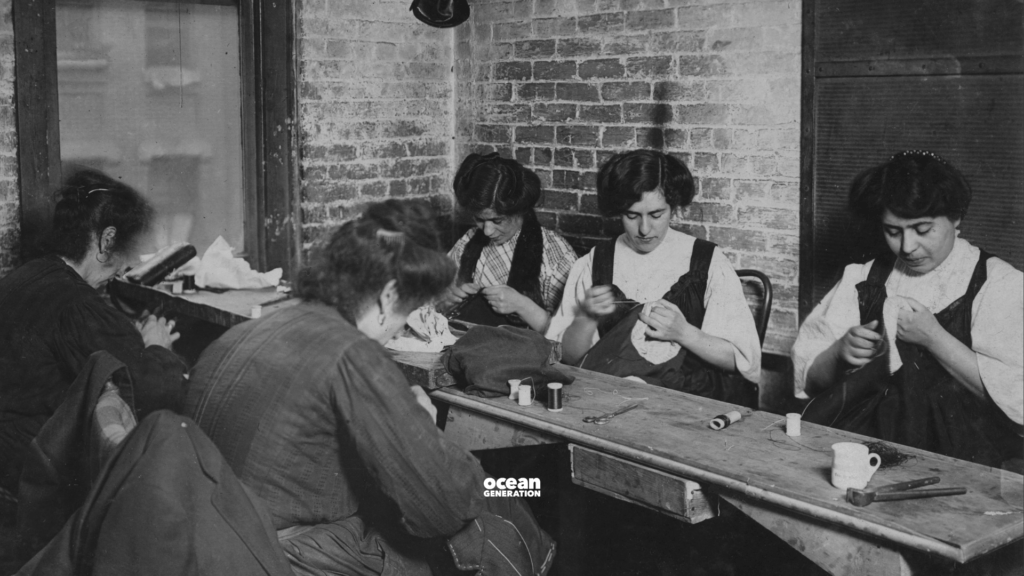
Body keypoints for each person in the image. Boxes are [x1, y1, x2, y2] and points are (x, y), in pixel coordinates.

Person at [184, 200, 554, 576]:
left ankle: (525, 491)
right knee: (483, 511)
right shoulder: (354, 355)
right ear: (388, 298)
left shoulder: (244, 332)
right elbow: (442, 506)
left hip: (213, 539)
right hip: (282, 555)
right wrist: (426, 431)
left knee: (498, 491)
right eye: (403, 316)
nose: (397, 329)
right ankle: (536, 504)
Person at [794, 151, 1023, 467]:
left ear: (956, 218)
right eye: (893, 231)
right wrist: (838, 353)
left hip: (968, 461)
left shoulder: (998, 284)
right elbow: (808, 382)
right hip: (868, 449)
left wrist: (934, 339)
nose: (907, 247)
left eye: (923, 229)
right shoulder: (863, 278)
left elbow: (1017, 401)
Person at [0, 168, 185, 495]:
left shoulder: (24, 276)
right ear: (106, 240)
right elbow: (150, 393)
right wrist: (158, 348)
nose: (120, 272)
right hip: (31, 477)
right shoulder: (78, 306)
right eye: (123, 261)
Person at [547, 150, 761, 400]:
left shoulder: (708, 262)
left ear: (674, 208)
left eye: (656, 215)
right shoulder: (595, 263)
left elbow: (741, 362)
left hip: (686, 402)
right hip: (612, 397)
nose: (644, 229)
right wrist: (585, 319)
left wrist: (685, 333)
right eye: (632, 215)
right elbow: (567, 359)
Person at [441, 153, 577, 332]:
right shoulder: (469, 241)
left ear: (520, 211)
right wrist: (447, 299)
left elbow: (572, 340)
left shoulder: (555, 254)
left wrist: (523, 306)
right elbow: (434, 300)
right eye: (479, 219)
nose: (487, 231)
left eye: (498, 221)